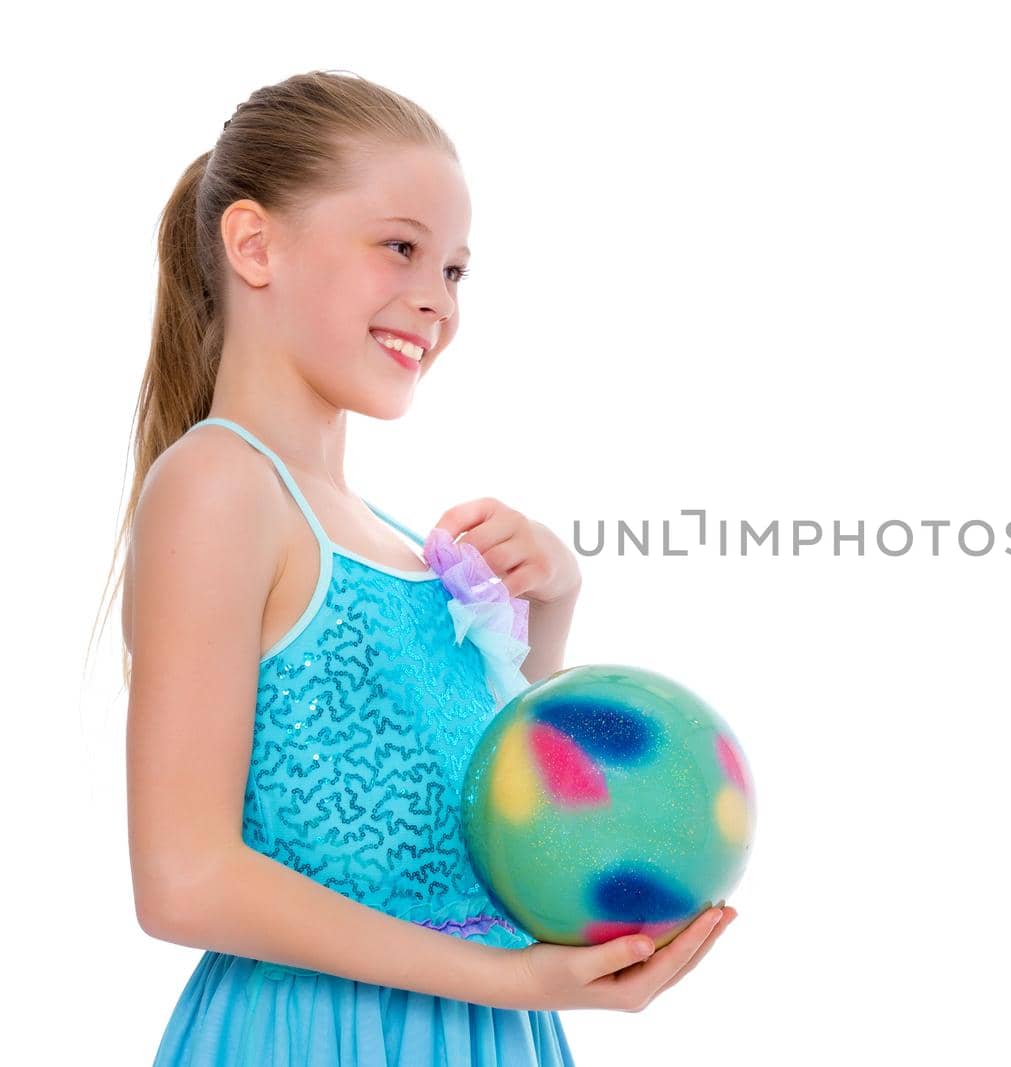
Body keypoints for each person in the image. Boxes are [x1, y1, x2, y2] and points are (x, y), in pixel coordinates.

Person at [106, 69, 736, 1066]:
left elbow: (485, 815)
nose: (433, 300)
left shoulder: (388, 537)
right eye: (400, 248)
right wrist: (510, 979)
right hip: (318, 1037)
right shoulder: (221, 484)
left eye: (454, 270)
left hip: (479, 1033)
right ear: (255, 244)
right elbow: (185, 877)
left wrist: (553, 611)